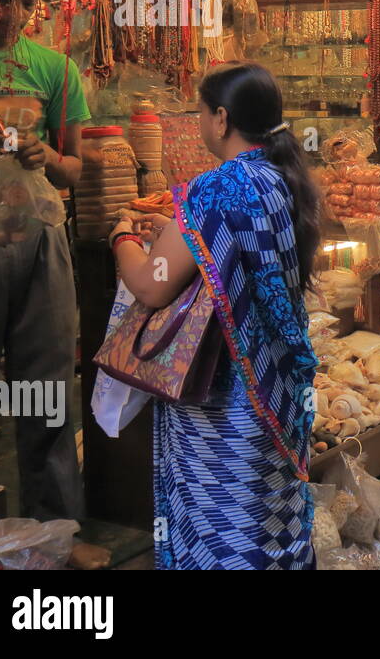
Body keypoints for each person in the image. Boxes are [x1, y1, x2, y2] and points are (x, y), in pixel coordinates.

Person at [108, 62, 320, 569]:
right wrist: (173, 228)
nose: (200, 122)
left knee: (221, 524)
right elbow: (222, 255)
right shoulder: (283, 178)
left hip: (222, 402)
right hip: (277, 391)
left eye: (201, 113)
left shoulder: (215, 189)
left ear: (221, 119)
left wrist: (123, 237)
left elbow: (152, 283)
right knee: (270, 521)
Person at [0, 0, 87, 521]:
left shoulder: (56, 69)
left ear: (32, 1)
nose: (6, 9)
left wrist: (45, 155)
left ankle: (54, 528)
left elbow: (75, 169)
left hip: (39, 242)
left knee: (49, 386)